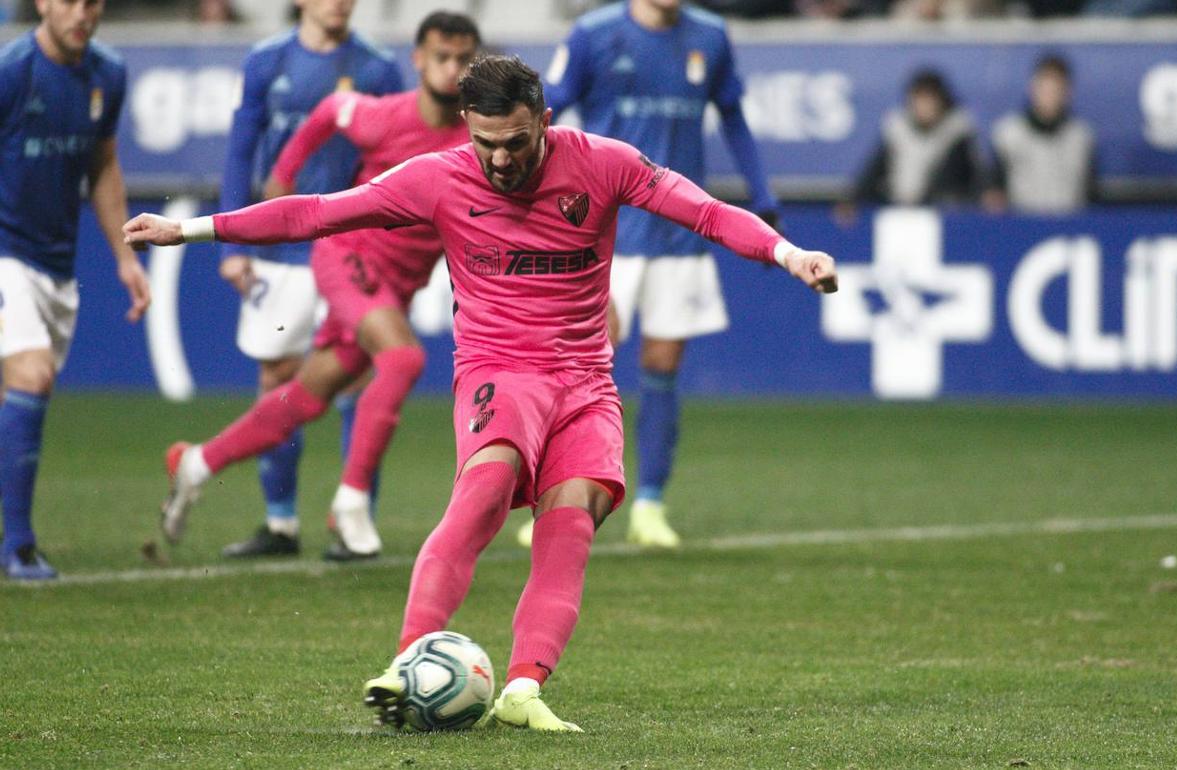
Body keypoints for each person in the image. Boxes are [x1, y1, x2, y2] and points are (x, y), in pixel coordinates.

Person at [123, 55, 836, 731]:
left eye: (516, 142)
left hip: (586, 381)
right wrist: (188, 229)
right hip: (500, 371)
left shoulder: (606, 163)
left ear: (545, 120)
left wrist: (789, 253)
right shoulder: (438, 176)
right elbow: (318, 212)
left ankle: (525, 688)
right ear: (467, 124)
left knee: (572, 526)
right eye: (486, 141)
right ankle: (409, 662)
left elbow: (706, 212)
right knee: (485, 493)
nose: (500, 158)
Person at [159, 11, 479, 561]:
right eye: (441, 57)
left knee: (307, 396)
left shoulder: (479, 138)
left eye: (463, 59)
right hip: (348, 257)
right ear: (419, 60)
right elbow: (332, 108)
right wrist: (285, 172)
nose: (452, 70)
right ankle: (350, 504)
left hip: (396, 284)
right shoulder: (385, 116)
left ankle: (198, 463)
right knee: (402, 360)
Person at [537, 0, 782, 549]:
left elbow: (734, 116)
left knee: (661, 366)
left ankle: (649, 502)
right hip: (603, 231)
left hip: (678, 232)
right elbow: (545, 111)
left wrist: (761, 193)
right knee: (582, 364)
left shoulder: (711, 36)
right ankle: (554, 497)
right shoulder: (593, 35)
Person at [216, 0, 403, 558]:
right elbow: (240, 148)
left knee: (353, 379)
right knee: (277, 375)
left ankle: (354, 522)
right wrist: (231, 241)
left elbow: (393, 161)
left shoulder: (377, 67)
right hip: (279, 247)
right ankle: (279, 524)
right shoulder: (265, 61)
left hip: (350, 245)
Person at [0, 0, 150, 580]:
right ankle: (19, 546)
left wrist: (124, 257)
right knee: (31, 375)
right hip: (7, 255)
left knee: (21, 397)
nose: (82, 12)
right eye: (69, 0)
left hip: (57, 268)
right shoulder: (14, 72)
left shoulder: (107, 74)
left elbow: (103, 164)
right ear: (41, 3)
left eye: (93, 2)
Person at [842, 68, 980, 216]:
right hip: (897, 207)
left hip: (940, 211)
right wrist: (854, 200)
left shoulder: (957, 130)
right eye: (919, 99)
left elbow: (964, 176)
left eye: (929, 100)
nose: (924, 107)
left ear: (941, 101)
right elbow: (874, 170)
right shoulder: (897, 127)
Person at [982, 54, 1096, 215]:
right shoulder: (1008, 134)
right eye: (1045, 89)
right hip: (1021, 227)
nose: (1050, 96)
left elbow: (1089, 192)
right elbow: (994, 191)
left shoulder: (1081, 137)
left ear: (1068, 92)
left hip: (1067, 229)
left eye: (1057, 90)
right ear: (1033, 88)